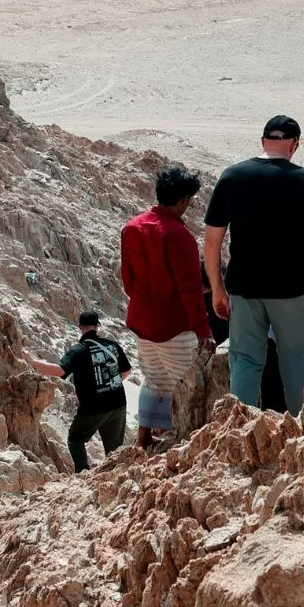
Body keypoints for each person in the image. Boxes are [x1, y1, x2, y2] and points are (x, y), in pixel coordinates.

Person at [203, 115, 304, 415]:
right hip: (291, 290)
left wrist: (217, 290)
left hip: (244, 289)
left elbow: (212, 241)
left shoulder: (231, 177)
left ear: (263, 140)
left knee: (246, 363)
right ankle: (303, 436)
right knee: (299, 362)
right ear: (294, 145)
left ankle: (240, 432)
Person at [120, 165, 212, 448]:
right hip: (174, 325)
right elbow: (191, 289)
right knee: (186, 383)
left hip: (142, 321)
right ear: (183, 200)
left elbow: (128, 280)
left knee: (153, 378)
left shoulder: (132, 227)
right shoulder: (178, 236)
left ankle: (144, 437)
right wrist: (203, 330)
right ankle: (184, 439)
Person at [26, 312, 131, 472]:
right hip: (118, 403)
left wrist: (33, 362)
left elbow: (60, 371)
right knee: (114, 450)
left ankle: (83, 473)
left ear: (80, 327)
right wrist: (108, 385)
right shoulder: (112, 345)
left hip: (93, 407)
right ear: (97, 327)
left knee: (75, 438)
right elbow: (126, 371)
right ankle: (117, 477)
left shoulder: (78, 350)